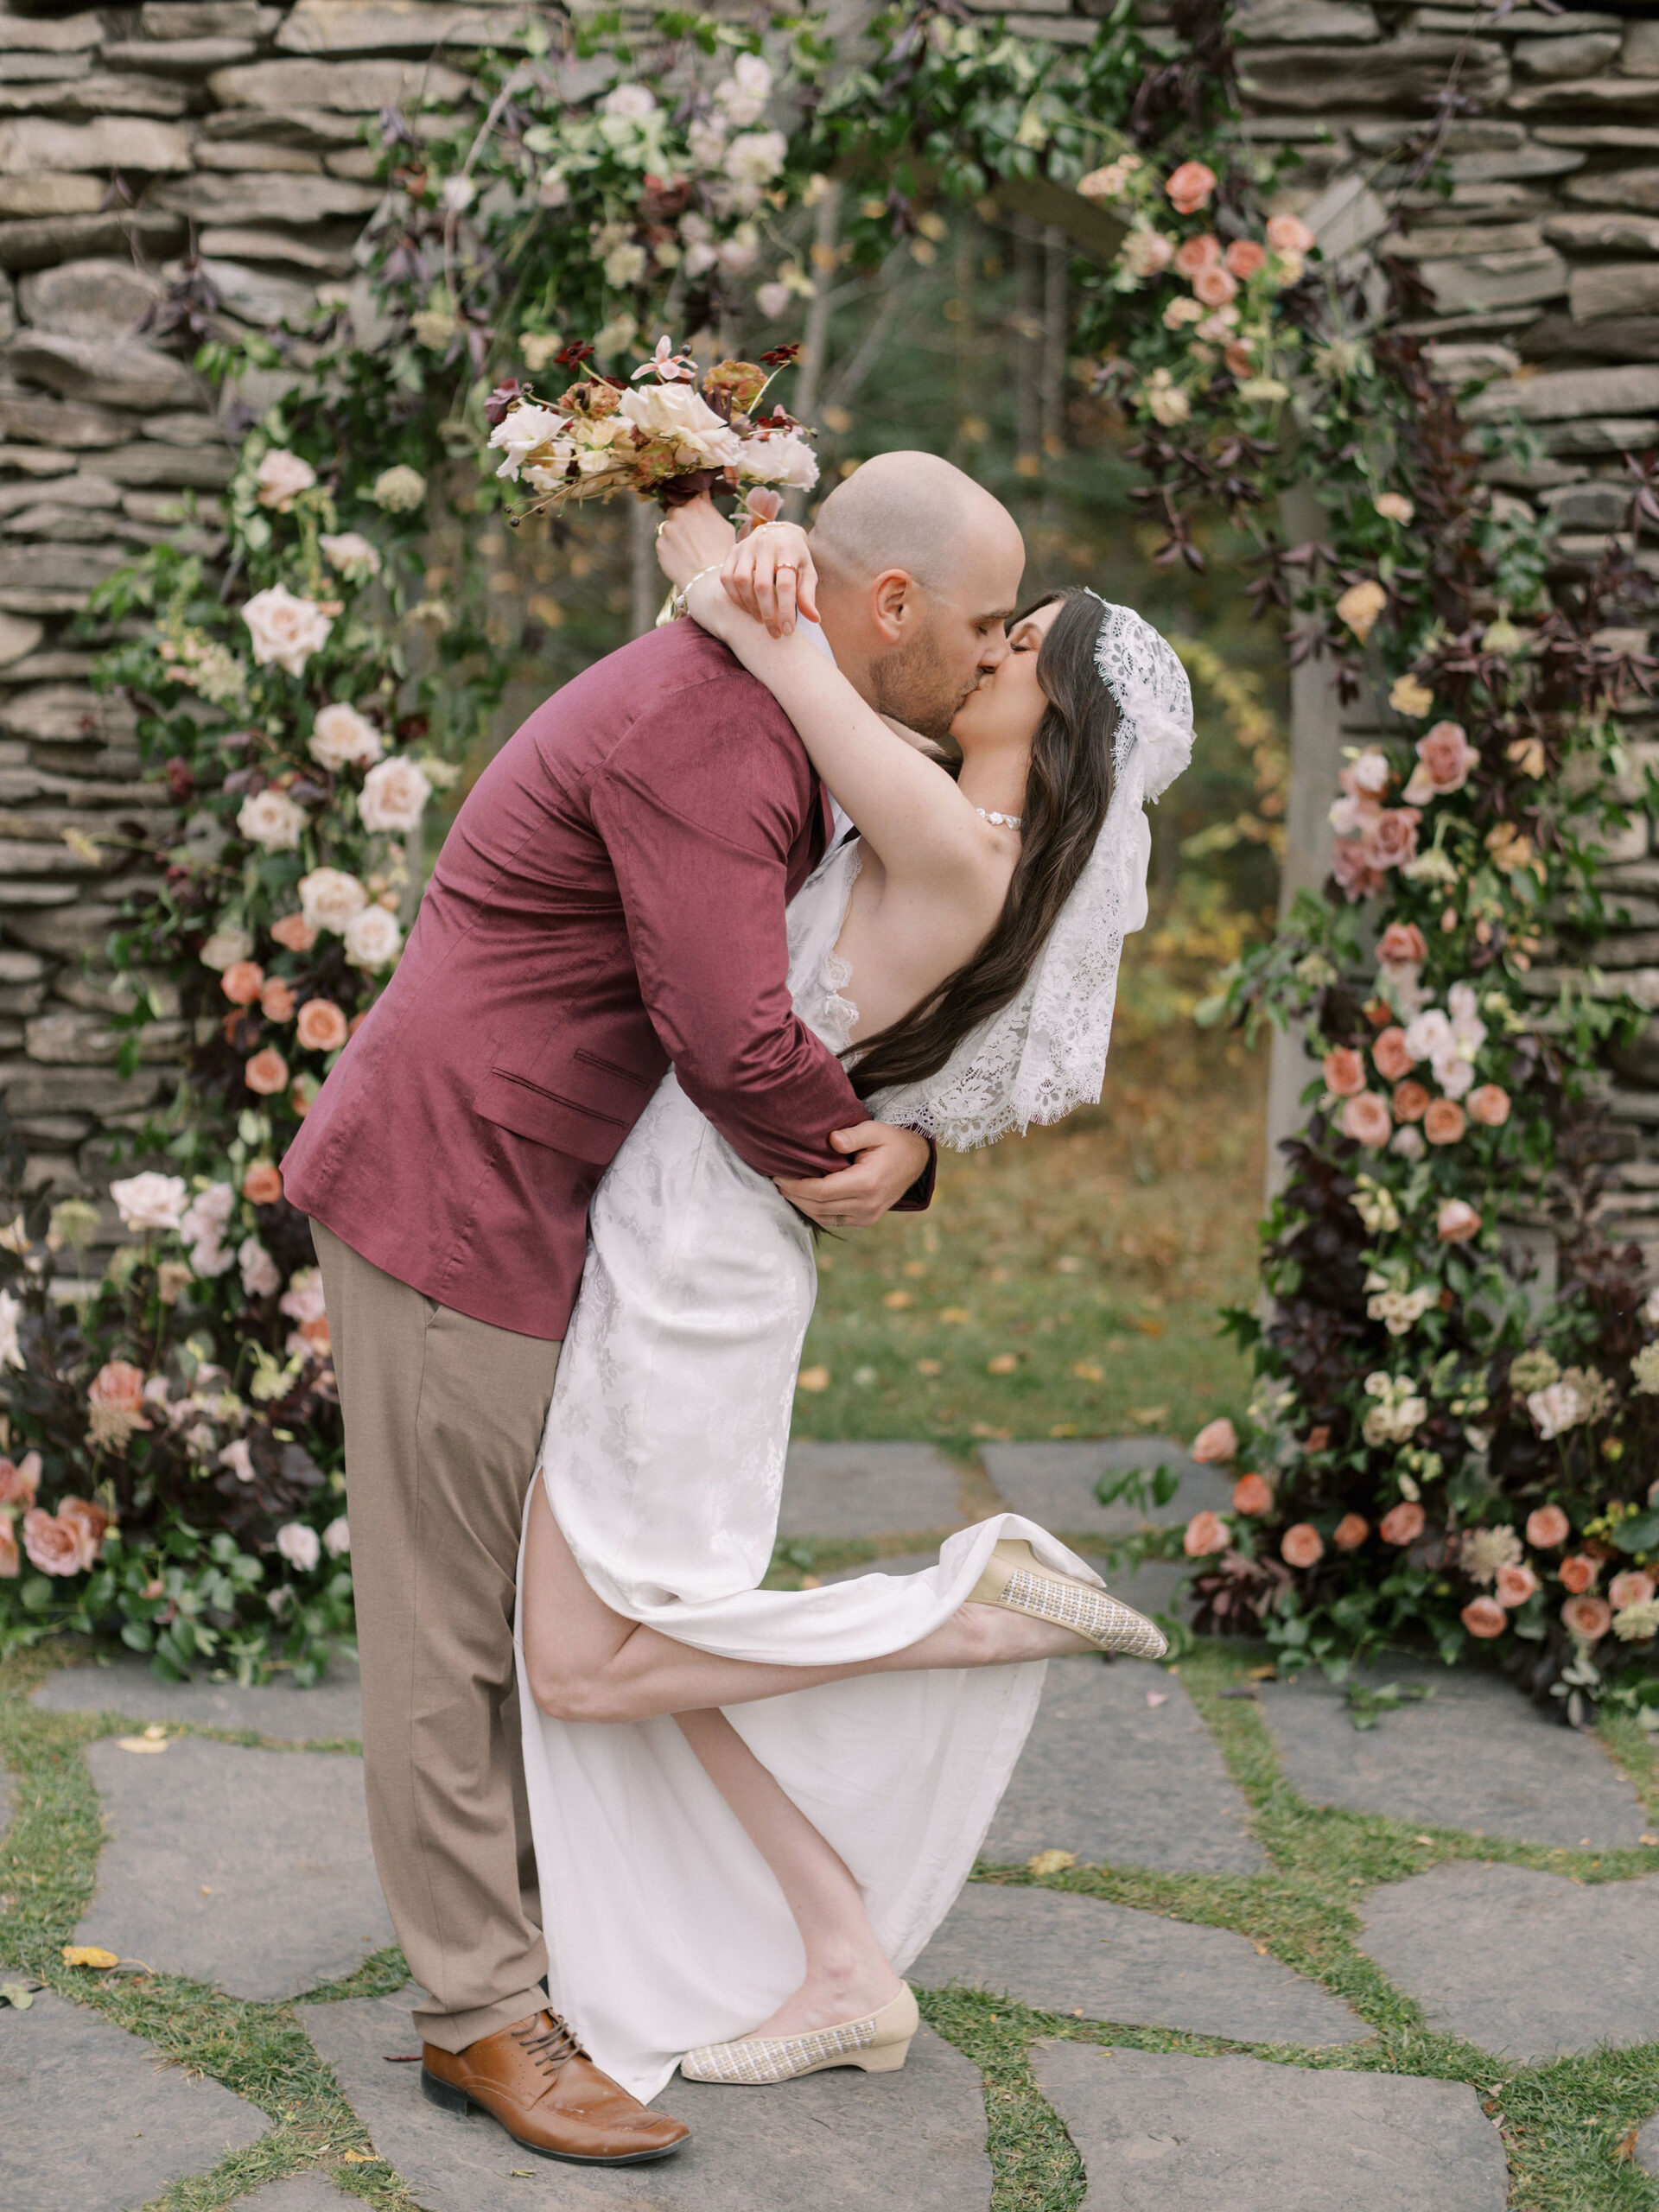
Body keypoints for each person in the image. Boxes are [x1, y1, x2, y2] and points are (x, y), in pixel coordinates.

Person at [281, 451, 1032, 2167]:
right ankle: (480, 2015)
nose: (995, 661)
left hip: (548, 1196)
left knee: (549, 1610)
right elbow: (730, 1033)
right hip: (455, 1184)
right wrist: (894, 1171)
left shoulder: (778, 684)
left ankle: (556, 1950)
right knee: (449, 1632)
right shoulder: (722, 727)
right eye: (985, 627)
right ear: (891, 606)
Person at [512, 478, 1193, 2105]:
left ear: (1058, 712)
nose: (983, 652)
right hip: (697, 1225)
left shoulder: (955, 832)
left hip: (698, 1252)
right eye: (988, 622)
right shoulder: (954, 832)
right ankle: (842, 1956)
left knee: (581, 1660)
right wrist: (769, 553)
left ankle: (953, 1617)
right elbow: (803, 656)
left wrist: (715, 551)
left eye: (1016, 646)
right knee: (642, 1648)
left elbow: (787, 659)